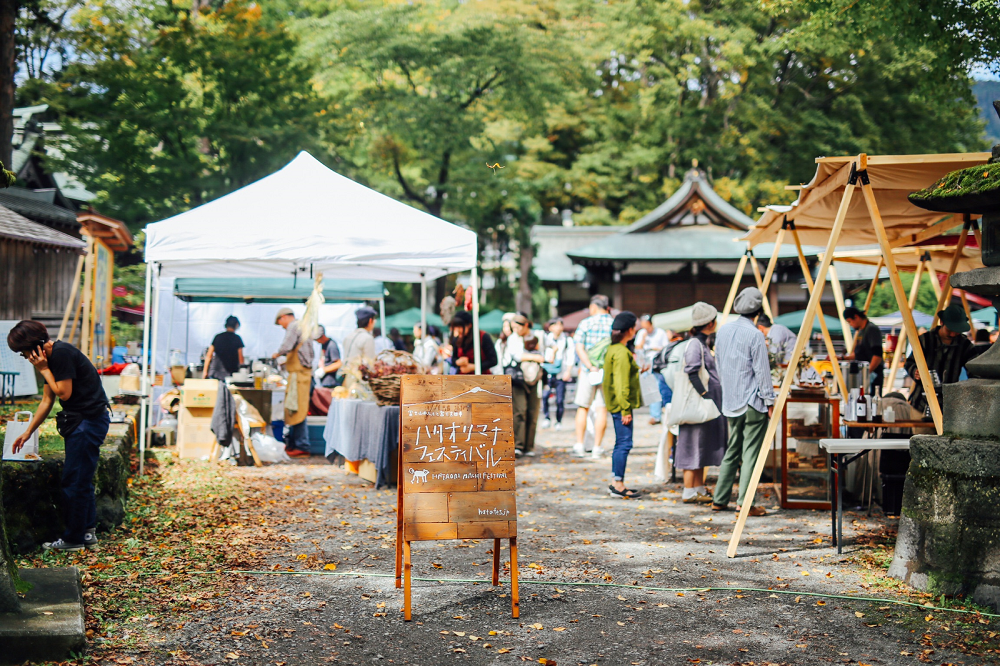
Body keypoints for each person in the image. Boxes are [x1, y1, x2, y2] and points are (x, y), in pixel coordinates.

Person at [7, 320, 110, 551]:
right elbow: (47, 400)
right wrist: (27, 432)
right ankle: (86, 533)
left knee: (73, 482)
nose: (25, 358)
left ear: (34, 347)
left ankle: (73, 539)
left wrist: (43, 368)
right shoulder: (52, 357)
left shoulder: (60, 355)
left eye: (23, 353)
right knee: (81, 479)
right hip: (83, 422)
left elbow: (63, 393)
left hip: (88, 422)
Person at [712, 288, 775, 516]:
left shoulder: (723, 330)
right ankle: (744, 503)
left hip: (731, 400)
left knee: (733, 449)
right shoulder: (756, 334)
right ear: (758, 311)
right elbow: (762, 373)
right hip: (752, 402)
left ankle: (719, 498)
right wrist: (770, 401)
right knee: (750, 453)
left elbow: (719, 365)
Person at [674, 302, 727, 505]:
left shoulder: (701, 343)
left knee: (700, 444)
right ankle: (689, 490)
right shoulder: (696, 344)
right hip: (698, 403)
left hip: (703, 404)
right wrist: (704, 394)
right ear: (711, 323)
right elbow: (692, 371)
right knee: (692, 444)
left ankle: (697, 488)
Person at [905, 304, 978, 416]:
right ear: (941, 322)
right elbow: (909, 362)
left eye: (957, 330)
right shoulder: (925, 340)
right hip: (921, 404)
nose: (953, 334)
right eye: (950, 330)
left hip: (949, 406)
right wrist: (915, 371)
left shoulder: (964, 345)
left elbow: (974, 369)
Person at [602, 311, 643, 498]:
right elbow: (621, 384)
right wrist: (626, 409)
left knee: (621, 443)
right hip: (621, 406)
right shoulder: (621, 352)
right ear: (629, 330)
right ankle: (618, 484)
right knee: (624, 444)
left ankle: (616, 481)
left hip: (616, 404)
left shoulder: (614, 349)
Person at [572, 295, 614, 459]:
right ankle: (597, 447)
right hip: (606, 371)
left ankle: (580, 444)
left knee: (583, 407)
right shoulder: (613, 323)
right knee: (602, 408)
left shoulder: (586, 323)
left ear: (594, 307)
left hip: (589, 371)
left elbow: (579, 347)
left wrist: (590, 366)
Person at [272, 307, 313, 457]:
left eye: (280, 323)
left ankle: (302, 445)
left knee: (299, 410)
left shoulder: (294, 326)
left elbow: (286, 346)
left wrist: (276, 354)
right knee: (294, 409)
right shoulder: (301, 326)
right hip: (299, 375)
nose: (282, 327)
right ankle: (296, 444)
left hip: (300, 376)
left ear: (283, 317)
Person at [502, 313, 545, 457]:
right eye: (513, 327)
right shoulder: (513, 339)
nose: (515, 330)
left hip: (535, 377)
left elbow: (550, 348)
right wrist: (535, 357)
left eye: (517, 327)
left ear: (525, 325)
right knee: (520, 411)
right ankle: (518, 444)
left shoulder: (537, 335)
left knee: (533, 412)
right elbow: (517, 355)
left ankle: (529, 446)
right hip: (519, 378)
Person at [635, 314, 671, 425]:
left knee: (658, 388)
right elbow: (637, 348)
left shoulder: (660, 332)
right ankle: (655, 415)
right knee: (650, 390)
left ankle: (658, 414)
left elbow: (666, 347)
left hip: (656, 364)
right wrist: (644, 339)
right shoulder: (642, 333)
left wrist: (655, 348)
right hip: (645, 364)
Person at [541, 318, 573, 430]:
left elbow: (570, 357)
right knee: (545, 396)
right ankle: (546, 418)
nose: (558, 327)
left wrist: (568, 371)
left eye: (560, 325)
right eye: (556, 325)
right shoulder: (545, 339)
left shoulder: (567, 340)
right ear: (550, 327)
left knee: (560, 399)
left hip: (561, 373)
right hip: (547, 373)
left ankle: (558, 420)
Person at [843, 306, 884, 395]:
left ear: (856, 317)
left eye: (850, 321)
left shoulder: (871, 329)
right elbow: (858, 353)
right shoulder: (861, 331)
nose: (850, 324)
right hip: (864, 373)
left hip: (873, 374)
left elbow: (877, 355)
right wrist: (843, 357)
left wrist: (866, 373)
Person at [202, 315, 245, 380]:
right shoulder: (237, 339)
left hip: (216, 371)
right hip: (231, 372)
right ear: (236, 325)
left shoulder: (218, 337)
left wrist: (205, 371)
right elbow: (241, 358)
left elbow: (209, 355)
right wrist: (242, 371)